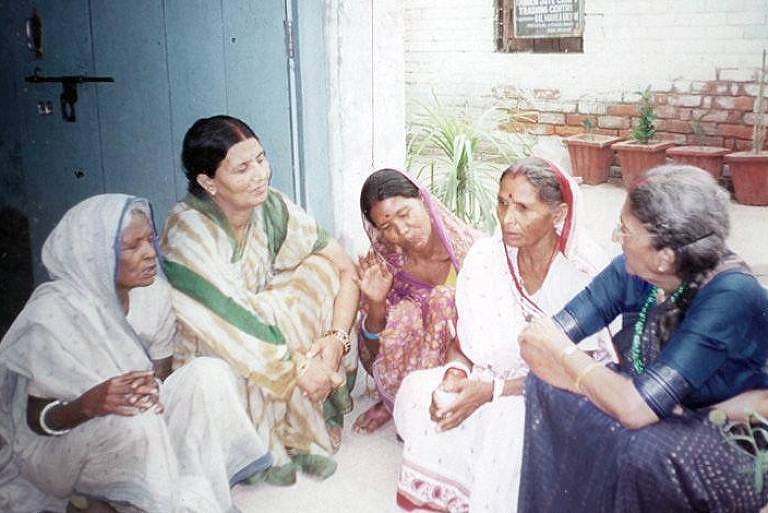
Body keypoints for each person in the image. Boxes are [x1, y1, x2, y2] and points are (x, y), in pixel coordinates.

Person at [518, 164, 768, 513]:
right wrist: (620, 394)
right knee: (545, 388)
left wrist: (566, 356)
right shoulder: (631, 270)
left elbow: (631, 407)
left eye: (625, 230)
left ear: (665, 256)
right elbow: (534, 341)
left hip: (737, 430)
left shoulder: (731, 294)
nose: (615, 238)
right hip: (657, 408)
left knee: (642, 448)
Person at [0, 194, 271, 513]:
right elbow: (39, 421)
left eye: (150, 239)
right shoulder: (55, 310)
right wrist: (92, 403)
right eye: (132, 246)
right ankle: (132, 498)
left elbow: (161, 377)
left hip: (133, 430)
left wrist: (150, 393)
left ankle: (184, 493)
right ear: (94, 255)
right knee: (137, 420)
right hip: (63, 443)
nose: (150, 254)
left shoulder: (153, 294)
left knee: (209, 374)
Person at [393, 157, 613, 512]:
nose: (507, 218)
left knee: (506, 425)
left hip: (555, 390)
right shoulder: (486, 259)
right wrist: (455, 375)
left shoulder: (581, 271)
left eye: (523, 208)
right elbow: (464, 342)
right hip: (487, 375)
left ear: (557, 215)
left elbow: (588, 371)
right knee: (418, 392)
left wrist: (494, 392)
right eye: (502, 202)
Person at [162, 115, 359, 485]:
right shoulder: (188, 228)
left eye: (261, 159)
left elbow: (346, 269)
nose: (260, 175)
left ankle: (301, 420)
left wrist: (335, 342)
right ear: (208, 182)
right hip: (215, 351)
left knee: (318, 272)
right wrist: (301, 369)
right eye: (242, 168)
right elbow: (227, 315)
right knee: (261, 313)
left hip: (268, 348)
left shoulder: (270, 207)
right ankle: (264, 435)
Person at [354, 168, 480, 433]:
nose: (401, 230)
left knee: (445, 299)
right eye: (387, 227)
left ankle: (442, 404)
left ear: (422, 200)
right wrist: (376, 304)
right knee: (405, 312)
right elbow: (375, 353)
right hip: (410, 374)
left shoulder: (470, 252)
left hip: (465, 365)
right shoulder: (388, 266)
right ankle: (398, 402)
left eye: (405, 214)